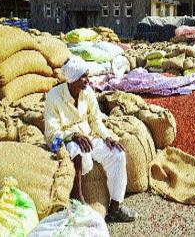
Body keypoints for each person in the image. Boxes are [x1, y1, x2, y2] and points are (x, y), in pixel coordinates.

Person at [44, 56, 138, 222]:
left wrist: (107, 136)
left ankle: (115, 207)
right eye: (83, 76)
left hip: (88, 137)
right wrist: (72, 135)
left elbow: (95, 120)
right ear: (73, 79)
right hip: (66, 141)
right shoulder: (54, 96)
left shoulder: (87, 93)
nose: (87, 80)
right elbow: (51, 134)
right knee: (79, 155)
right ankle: (78, 201)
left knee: (118, 154)